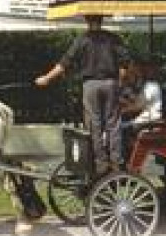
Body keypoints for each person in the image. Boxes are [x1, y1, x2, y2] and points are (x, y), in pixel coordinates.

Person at [35, 13, 130, 170]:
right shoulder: (113, 38)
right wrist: (119, 83)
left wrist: (46, 78)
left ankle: (100, 163)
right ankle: (116, 161)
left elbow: (65, 62)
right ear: (101, 20)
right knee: (113, 123)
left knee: (94, 124)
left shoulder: (82, 40)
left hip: (90, 84)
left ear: (87, 21)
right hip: (110, 83)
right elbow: (125, 63)